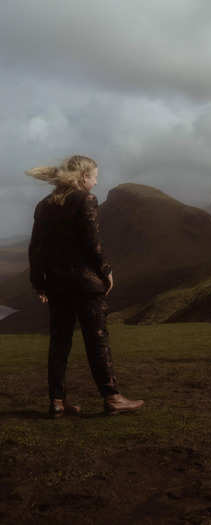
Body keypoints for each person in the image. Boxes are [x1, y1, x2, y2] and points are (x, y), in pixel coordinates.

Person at [26, 155, 144, 417]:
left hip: (56, 285)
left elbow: (35, 248)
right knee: (97, 340)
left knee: (59, 342)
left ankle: (57, 402)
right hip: (84, 283)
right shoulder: (86, 200)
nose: (97, 180)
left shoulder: (43, 206)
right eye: (94, 176)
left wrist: (39, 284)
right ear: (83, 177)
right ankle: (112, 398)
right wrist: (106, 271)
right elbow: (92, 243)